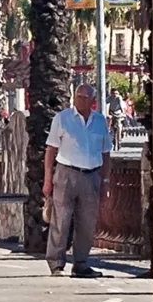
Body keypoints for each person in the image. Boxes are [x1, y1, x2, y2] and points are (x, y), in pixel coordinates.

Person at [44, 83, 117, 278]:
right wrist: (48, 179)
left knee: (87, 222)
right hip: (66, 173)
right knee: (61, 219)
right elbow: (51, 149)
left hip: (92, 175)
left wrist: (106, 181)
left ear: (93, 101)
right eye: (79, 96)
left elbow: (106, 153)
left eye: (86, 98)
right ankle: (56, 264)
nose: (81, 100)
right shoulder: (62, 118)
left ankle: (81, 263)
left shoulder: (100, 121)